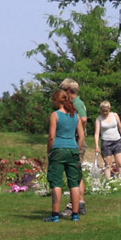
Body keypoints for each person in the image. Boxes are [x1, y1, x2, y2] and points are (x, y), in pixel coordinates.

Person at [47, 84, 86, 222]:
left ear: (57, 101)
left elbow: (52, 136)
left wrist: (49, 151)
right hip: (73, 150)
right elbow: (81, 136)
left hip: (58, 150)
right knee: (74, 183)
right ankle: (75, 214)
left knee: (57, 183)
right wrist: (77, 148)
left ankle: (55, 215)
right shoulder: (75, 116)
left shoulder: (55, 115)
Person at [96, 99, 121, 178]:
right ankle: (108, 181)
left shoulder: (115, 115)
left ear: (109, 109)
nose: (104, 113)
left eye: (106, 111)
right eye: (103, 111)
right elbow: (97, 133)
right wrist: (97, 145)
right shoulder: (99, 119)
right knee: (108, 164)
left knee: (120, 163)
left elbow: (120, 127)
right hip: (106, 142)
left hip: (117, 141)